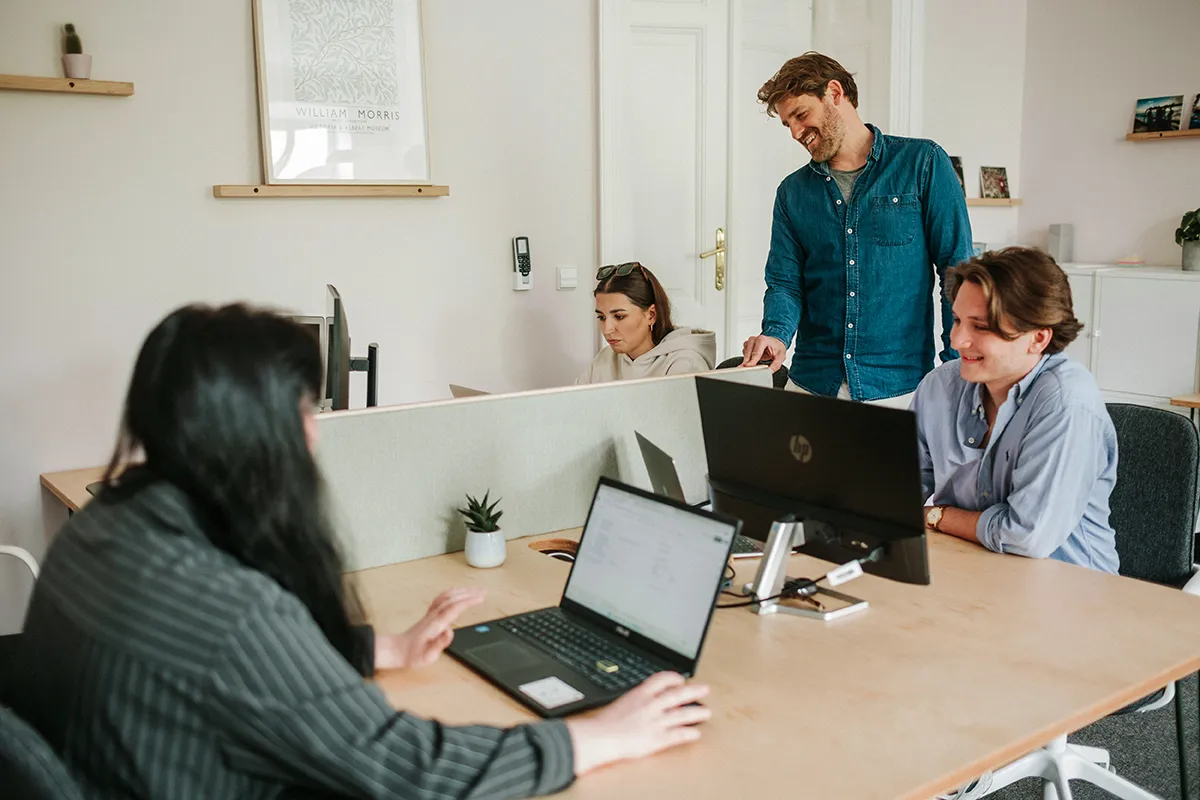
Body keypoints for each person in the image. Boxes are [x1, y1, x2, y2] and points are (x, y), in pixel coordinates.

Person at [11, 304, 711, 799]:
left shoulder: (108, 525)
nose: (315, 434)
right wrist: (601, 738)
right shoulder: (231, 611)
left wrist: (382, 649)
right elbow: (410, 770)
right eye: (303, 412)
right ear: (252, 435)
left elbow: (223, 670)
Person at [740, 52, 973, 407]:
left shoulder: (922, 163)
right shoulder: (792, 192)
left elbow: (958, 271)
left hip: (899, 387)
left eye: (801, 115)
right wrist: (776, 335)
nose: (796, 133)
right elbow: (785, 282)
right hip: (812, 382)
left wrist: (957, 368)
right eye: (788, 124)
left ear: (834, 93)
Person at [913, 247, 1119, 574]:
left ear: (1037, 338)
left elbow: (1027, 536)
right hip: (971, 568)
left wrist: (938, 516)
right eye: (957, 320)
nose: (957, 340)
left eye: (980, 327)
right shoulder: (940, 386)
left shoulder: (1066, 401)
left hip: (1069, 585)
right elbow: (896, 490)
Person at [576, 262, 716, 384]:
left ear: (651, 315)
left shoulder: (685, 364)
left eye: (619, 316)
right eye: (602, 317)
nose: (607, 330)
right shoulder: (606, 357)